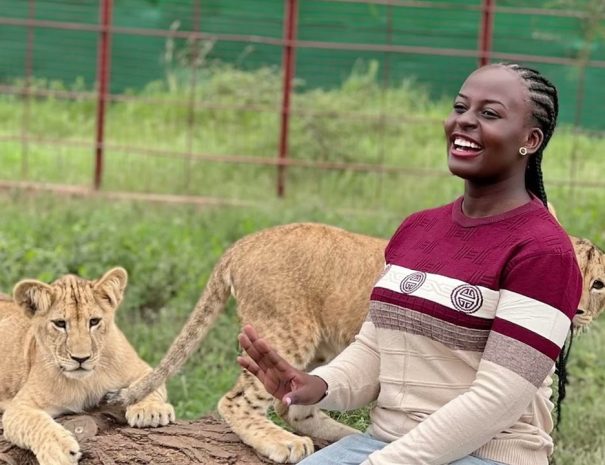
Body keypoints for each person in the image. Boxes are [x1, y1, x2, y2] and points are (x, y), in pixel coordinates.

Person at [237, 63, 582, 465]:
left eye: (489, 114)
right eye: (460, 107)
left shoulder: (544, 252)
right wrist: (317, 384)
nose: (465, 122)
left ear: (530, 139)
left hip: (487, 456)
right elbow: (375, 351)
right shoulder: (418, 229)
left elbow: (498, 401)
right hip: (383, 445)